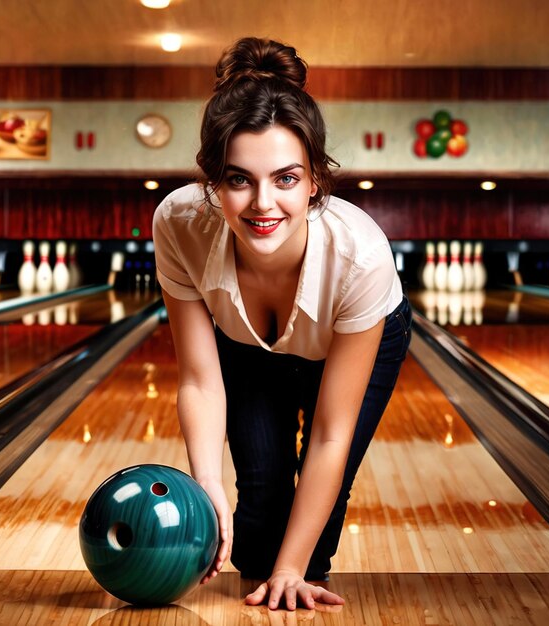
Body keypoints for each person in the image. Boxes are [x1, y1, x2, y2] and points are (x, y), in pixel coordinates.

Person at [152, 36, 411, 611]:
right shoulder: (180, 224)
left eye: (286, 178)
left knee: (303, 557)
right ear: (211, 181)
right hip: (244, 346)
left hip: (360, 336)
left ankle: (298, 566)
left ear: (316, 178)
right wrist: (207, 486)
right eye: (238, 179)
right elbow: (198, 378)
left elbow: (329, 435)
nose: (262, 203)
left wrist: (294, 569)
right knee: (258, 521)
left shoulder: (361, 256)